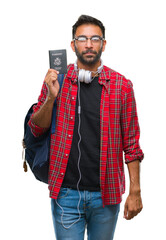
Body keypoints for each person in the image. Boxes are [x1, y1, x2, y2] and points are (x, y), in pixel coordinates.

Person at [28, 15, 144, 240]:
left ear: (103, 44)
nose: (89, 44)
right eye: (82, 38)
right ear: (73, 45)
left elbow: (131, 144)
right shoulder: (56, 80)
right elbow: (36, 129)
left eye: (95, 39)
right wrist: (51, 97)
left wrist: (135, 190)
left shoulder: (122, 86)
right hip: (65, 195)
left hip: (106, 195)